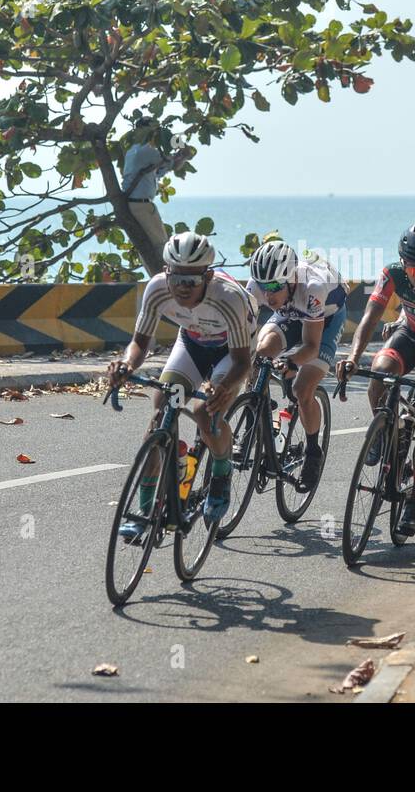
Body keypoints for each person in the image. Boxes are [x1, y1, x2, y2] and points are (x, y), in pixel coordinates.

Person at [106, 232, 257, 539]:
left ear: (209, 276)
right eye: (176, 279)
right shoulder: (158, 289)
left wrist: (223, 388)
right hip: (192, 343)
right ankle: (145, 510)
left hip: (232, 351)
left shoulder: (229, 297)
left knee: (206, 412)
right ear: (166, 272)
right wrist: (125, 365)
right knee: (161, 409)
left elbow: (242, 363)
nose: (182, 288)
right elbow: (139, 343)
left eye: (192, 281)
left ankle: (221, 471)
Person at [336, 223, 415, 538]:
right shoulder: (391, 273)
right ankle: (384, 433)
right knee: (380, 373)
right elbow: (370, 316)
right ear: (403, 264)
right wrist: (354, 357)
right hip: (409, 333)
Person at [245, 240, 348, 492]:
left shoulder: (313, 288)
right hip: (290, 312)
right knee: (257, 354)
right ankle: (255, 418)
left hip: (326, 319)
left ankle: (313, 452)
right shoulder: (258, 288)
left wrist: (291, 362)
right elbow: (244, 337)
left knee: (303, 389)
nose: (267, 295)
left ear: (291, 279)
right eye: (262, 287)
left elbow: (311, 346)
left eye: (273, 287)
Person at [122, 117, 191, 265]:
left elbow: (157, 172)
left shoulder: (133, 150)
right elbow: (173, 163)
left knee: (146, 246)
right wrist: (178, 144)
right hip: (142, 206)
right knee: (160, 244)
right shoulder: (148, 150)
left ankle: (157, 276)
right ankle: (165, 278)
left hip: (134, 204)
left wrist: (179, 155)